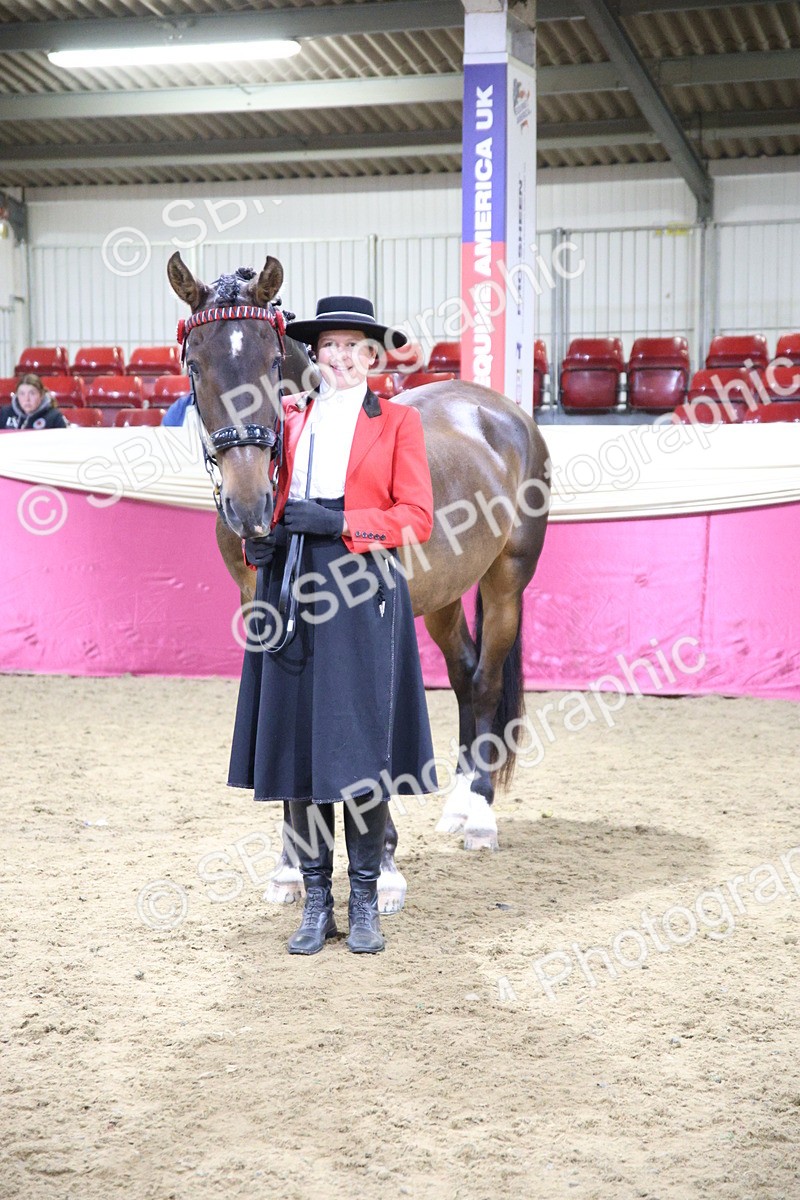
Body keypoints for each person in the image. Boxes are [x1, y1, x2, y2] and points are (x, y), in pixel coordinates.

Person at [228, 296, 436, 956]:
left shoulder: (399, 422)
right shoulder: (289, 416)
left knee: (360, 750)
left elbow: (417, 518)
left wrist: (343, 522)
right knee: (301, 750)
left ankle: (365, 898)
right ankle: (317, 900)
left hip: (360, 584)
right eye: (330, 346)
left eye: (353, 347)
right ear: (314, 353)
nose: (341, 357)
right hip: (292, 580)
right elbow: (262, 493)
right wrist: (260, 541)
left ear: (372, 356)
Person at [0, 374, 68, 430]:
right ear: (17, 395)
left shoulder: (54, 417)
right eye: (22, 394)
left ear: (41, 395)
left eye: (32, 393)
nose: (27, 399)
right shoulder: (5, 413)